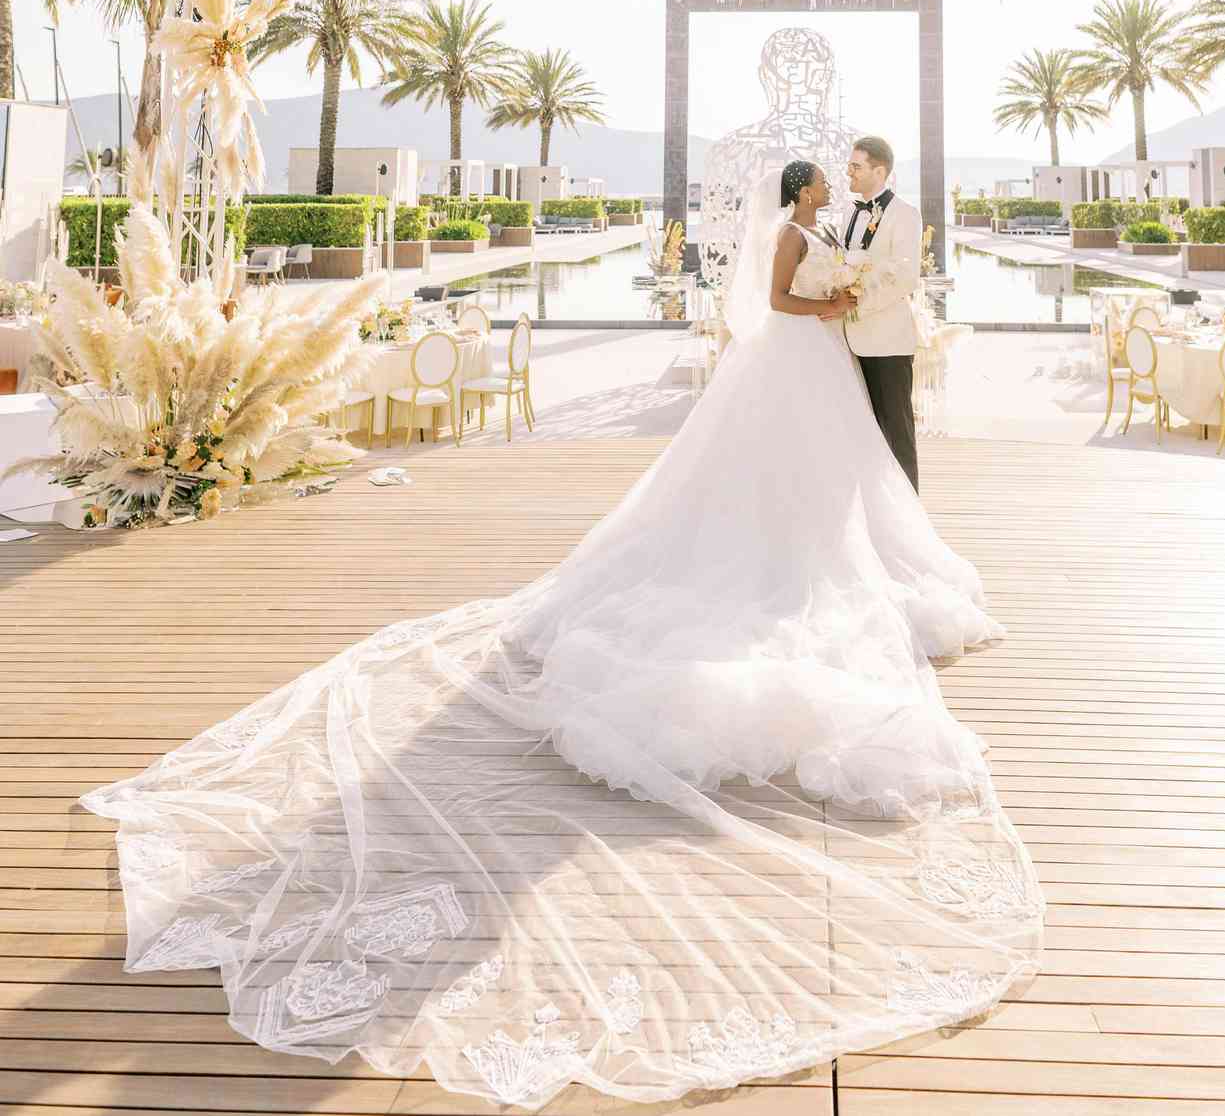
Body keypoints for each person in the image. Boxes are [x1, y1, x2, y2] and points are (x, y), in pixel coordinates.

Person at [80, 160, 1042, 1111]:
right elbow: (786, 302)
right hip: (799, 357)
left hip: (806, 371)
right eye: (822, 185)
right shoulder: (794, 235)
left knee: (803, 480)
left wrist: (837, 301)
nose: (831, 191)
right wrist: (826, 307)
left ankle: (795, 545)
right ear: (800, 194)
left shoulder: (811, 227)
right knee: (771, 486)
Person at [840, 136, 922, 489]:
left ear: (880, 170)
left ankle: (910, 517)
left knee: (897, 434)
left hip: (888, 342)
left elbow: (905, 278)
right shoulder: (849, 212)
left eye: (856, 167)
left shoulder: (905, 214)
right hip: (848, 343)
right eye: (849, 166)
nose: (849, 173)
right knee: (863, 436)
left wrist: (857, 303)